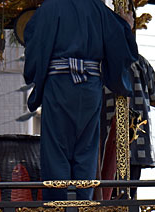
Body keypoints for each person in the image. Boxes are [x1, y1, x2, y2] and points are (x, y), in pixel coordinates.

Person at [23, 0, 138, 200]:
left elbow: (34, 43)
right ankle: (83, 203)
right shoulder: (98, 8)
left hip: (58, 83)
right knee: (87, 147)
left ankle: (58, 206)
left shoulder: (49, 8)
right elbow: (119, 39)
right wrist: (126, 26)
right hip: (90, 86)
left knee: (56, 147)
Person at [99, 53, 155, 200]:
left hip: (107, 139)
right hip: (136, 141)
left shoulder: (100, 61)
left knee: (106, 196)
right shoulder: (141, 62)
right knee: (129, 196)